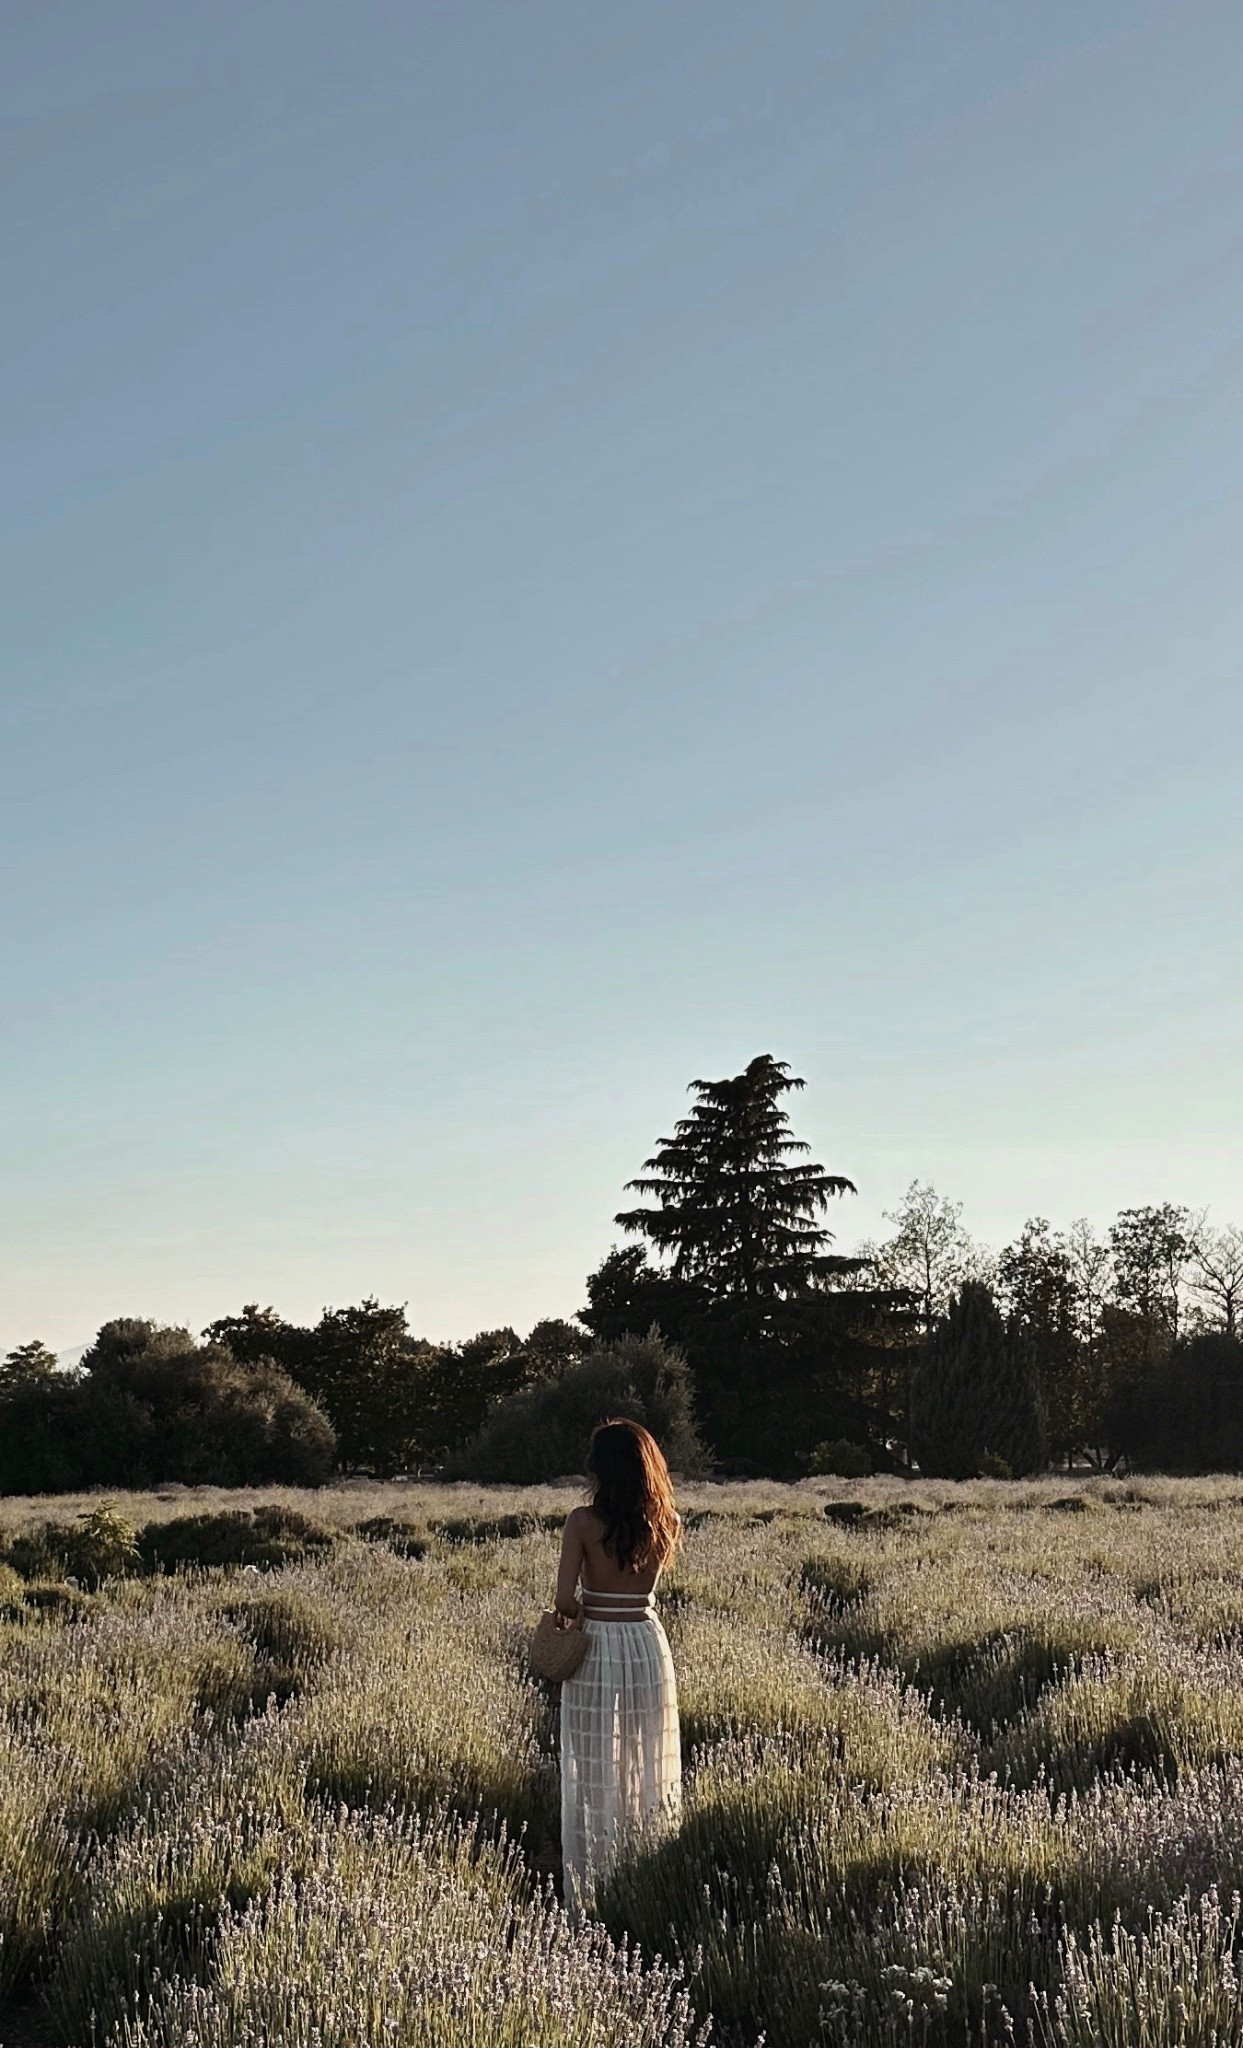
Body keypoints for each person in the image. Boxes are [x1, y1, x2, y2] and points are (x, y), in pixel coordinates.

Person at [553, 1417, 682, 1913]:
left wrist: (586, 1608)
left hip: (598, 1644)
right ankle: (645, 1877)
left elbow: (565, 1600)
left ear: (600, 1468)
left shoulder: (582, 1523)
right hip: (647, 1644)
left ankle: (593, 1881)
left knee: (593, 1762)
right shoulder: (666, 1521)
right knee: (645, 1756)